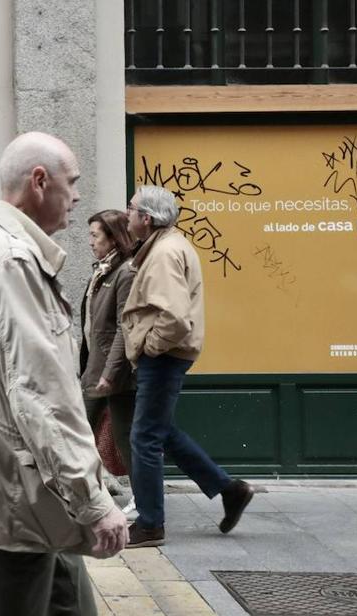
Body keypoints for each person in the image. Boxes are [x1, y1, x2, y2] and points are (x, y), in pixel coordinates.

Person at [0, 131, 128, 616]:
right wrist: (92, 498)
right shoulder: (12, 259)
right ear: (40, 181)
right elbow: (40, 393)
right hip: (24, 481)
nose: (78, 196)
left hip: (32, 480)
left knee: (67, 596)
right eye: (72, 182)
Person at [121, 185, 254, 548]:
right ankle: (229, 489)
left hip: (163, 357)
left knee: (144, 437)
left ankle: (149, 523)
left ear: (146, 219)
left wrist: (149, 346)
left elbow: (176, 318)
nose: (127, 214)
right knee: (160, 431)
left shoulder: (163, 253)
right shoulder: (165, 246)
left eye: (131, 208)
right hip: (168, 356)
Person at [80, 210, 138, 515]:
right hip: (97, 366)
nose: (90, 241)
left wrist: (111, 372)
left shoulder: (125, 273)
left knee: (121, 435)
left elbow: (123, 328)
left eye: (95, 235)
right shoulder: (104, 269)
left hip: (111, 372)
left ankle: (142, 499)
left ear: (113, 238)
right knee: (84, 430)